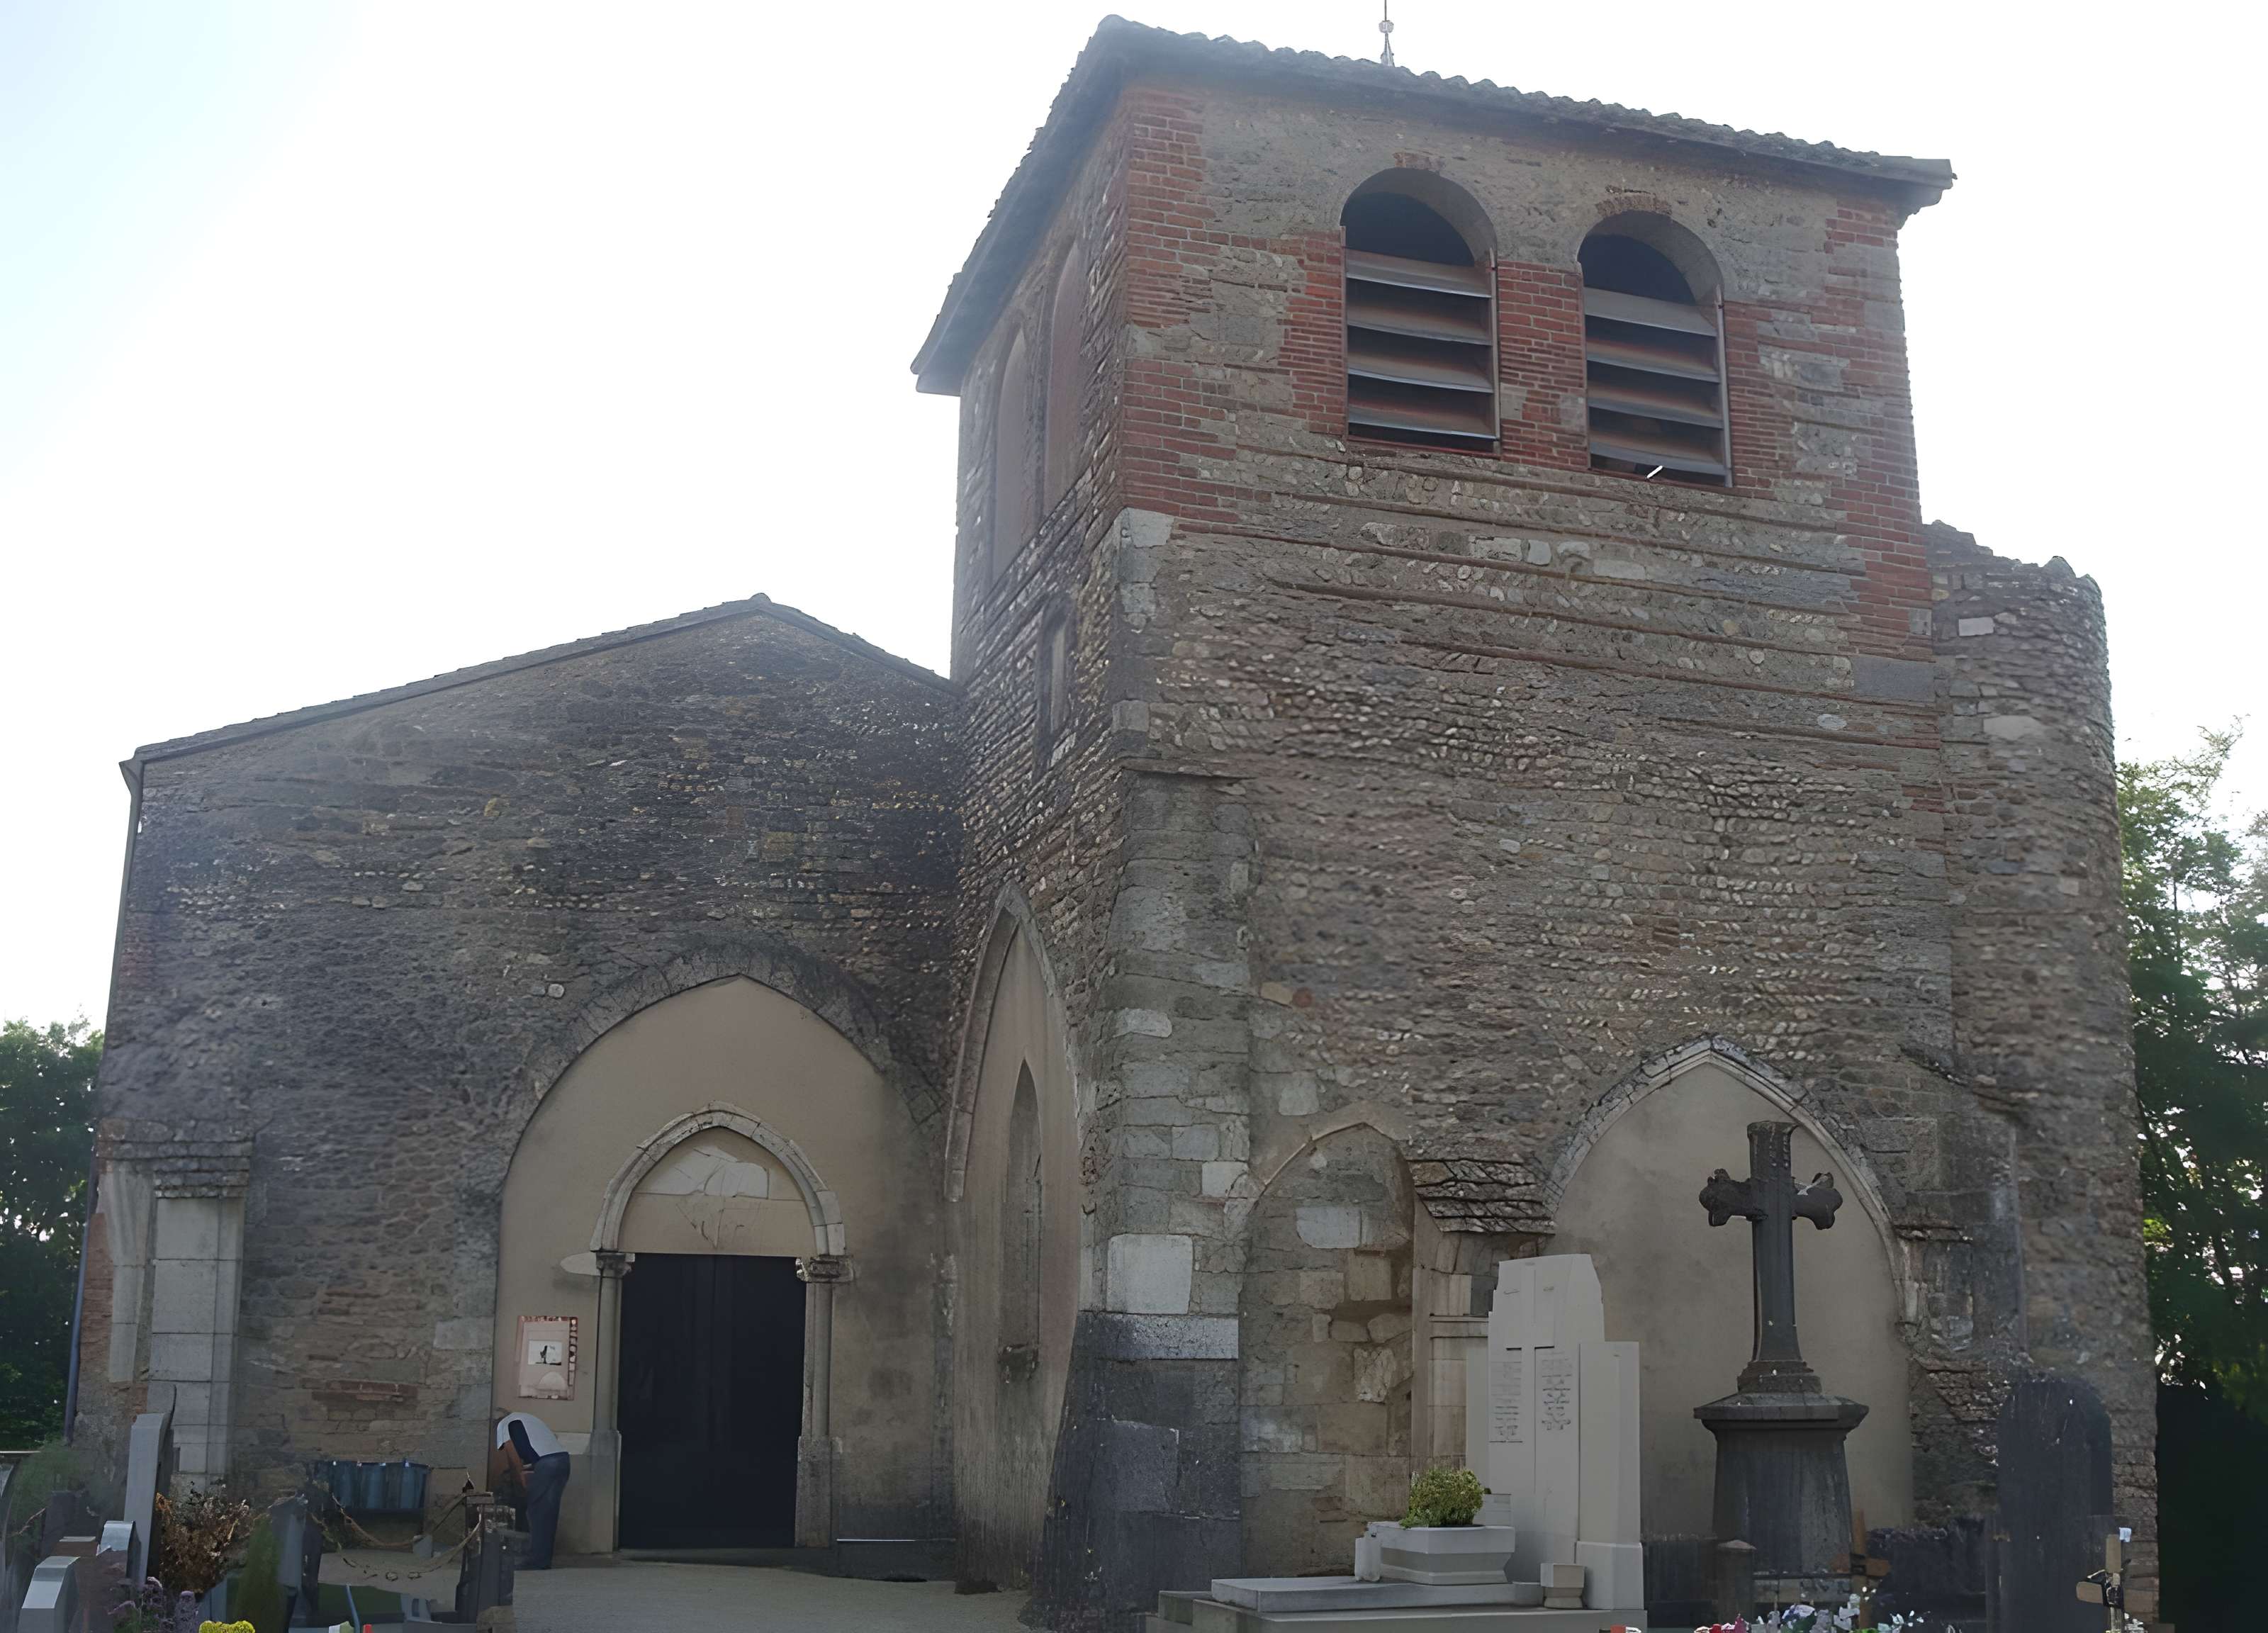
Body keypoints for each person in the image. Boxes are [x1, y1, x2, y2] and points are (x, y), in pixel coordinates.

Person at [492, 1410, 571, 1569]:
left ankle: (537, 1560)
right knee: (548, 1513)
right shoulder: (526, 1419)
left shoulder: (503, 1424)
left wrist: (519, 1477)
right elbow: (544, 1446)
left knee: (537, 1513)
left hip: (548, 1464)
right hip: (563, 1461)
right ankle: (544, 1559)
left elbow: (512, 1454)